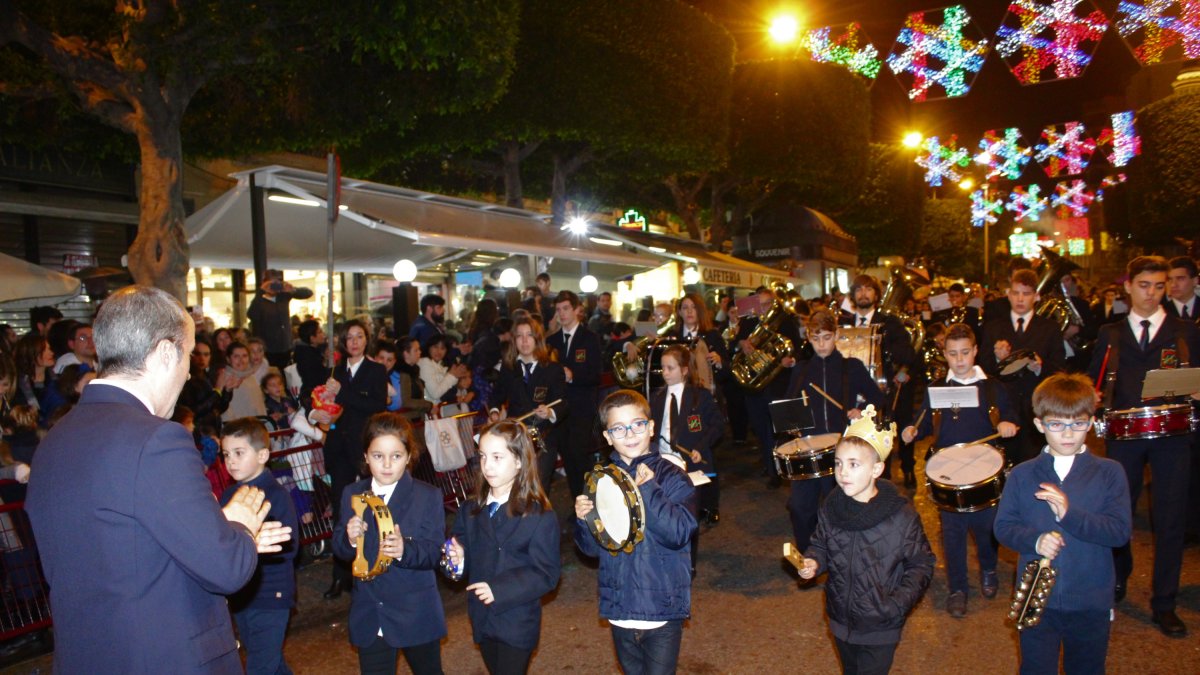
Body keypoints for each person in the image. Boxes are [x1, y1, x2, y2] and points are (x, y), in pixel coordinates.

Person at [25, 284, 290, 674]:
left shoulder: (54, 440)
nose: (186, 375)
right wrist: (237, 525)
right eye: (187, 357)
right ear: (166, 352)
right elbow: (227, 568)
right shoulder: (156, 440)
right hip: (165, 657)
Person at [1088, 255, 1200, 637]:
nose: (1151, 295)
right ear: (1128, 287)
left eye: (1159, 286)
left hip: (1173, 437)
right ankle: (1118, 578)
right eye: (1144, 286)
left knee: (1170, 521)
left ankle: (1164, 602)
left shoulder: (1185, 331)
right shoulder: (1111, 333)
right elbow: (1094, 380)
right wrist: (1091, 396)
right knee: (1118, 515)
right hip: (1124, 438)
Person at [994, 372, 1131, 674]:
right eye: (1057, 424)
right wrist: (1035, 540)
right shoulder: (1022, 474)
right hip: (1036, 599)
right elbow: (1003, 527)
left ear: (1091, 422)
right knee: (1035, 668)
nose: (1068, 434)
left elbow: (1119, 532)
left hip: (1090, 602)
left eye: (1078, 424)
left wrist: (1069, 514)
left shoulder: (1109, 473)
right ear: (1040, 425)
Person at [796, 405, 935, 675]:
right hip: (840, 618)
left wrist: (896, 605)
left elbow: (921, 564)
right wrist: (813, 561)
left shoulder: (900, 515)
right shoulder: (832, 506)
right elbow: (821, 544)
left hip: (880, 627)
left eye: (853, 464)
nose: (842, 472)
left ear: (877, 469)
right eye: (838, 463)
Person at [574, 390, 697, 674]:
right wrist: (583, 521)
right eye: (619, 428)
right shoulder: (602, 480)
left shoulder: (672, 476)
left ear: (651, 427)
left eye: (637, 424)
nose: (629, 434)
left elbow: (679, 532)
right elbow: (592, 550)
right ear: (608, 437)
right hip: (621, 608)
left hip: (662, 609)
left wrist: (647, 489)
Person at [901, 323, 1018, 617]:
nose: (960, 359)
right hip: (949, 473)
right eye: (953, 354)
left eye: (965, 352)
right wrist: (912, 429)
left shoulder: (992, 387)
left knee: (986, 529)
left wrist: (1008, 424)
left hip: (984, 471)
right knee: (952, 533)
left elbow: (1012, 416)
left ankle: (989, 569)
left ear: (975, 351)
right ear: (944, 354)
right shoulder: (937, 389)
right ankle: (958, 588)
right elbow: (924, 421)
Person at [332, 412, 447, 675]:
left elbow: (433, 551)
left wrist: (405, 549)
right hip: (370, 613)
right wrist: (349, 538)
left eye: (395, 456)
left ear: (408, 457)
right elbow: (339, 549)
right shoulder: (353, 493)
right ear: (365, 456)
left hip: (415, 610)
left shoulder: (426, 496)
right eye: (377, 456)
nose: (386, 464)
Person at [445, 420, 561, 674]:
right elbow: (456, 555)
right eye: (483, 457)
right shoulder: (471, 509)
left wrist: (499, 589)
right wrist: (457, 558)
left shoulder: (539, 515)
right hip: (482, 618)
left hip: (517, 619)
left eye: (498, 457)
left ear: (519, 461)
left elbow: (546, 574)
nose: (487, 465)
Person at [785, 310, 884, 554]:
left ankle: (843, 554)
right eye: (816, 338)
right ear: (808, 337)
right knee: (800, 507)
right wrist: (792, 424)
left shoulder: (852, 367)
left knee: (840, 507)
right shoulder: (801, 370)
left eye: (827, 337)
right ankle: (810, 555)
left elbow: (879, 399)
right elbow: (788, 407)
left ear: (837, 335)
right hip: (808, 450)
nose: (821, 344)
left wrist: (861, 410)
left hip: (842, 451)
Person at [219, 417, 300, 675]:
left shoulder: (275, 495)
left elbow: (290, 547)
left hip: (271, 593)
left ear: (263, 454)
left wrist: (251, 542)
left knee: (260, 666)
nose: (230, 461)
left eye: (239, 453)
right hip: (243, 595)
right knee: (268, 661)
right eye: (226, 454)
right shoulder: (229, 496)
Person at [322, 319, 389, 600]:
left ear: (366, 340)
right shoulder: (335, 370)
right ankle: (341, 574)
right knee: (342, 509)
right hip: (339, 449)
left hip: (364, 447)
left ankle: (375, 561)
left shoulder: (375, 370)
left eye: (359, 336)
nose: (354, 342)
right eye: (349, 337)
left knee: (373, 506)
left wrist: (342, 393)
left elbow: (376, 404)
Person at [979, 268, 1066, 465]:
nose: (1020, 299)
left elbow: (1059, 368)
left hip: (1036, 407)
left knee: (1035, 462)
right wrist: (996, 358)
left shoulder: (1049, 328)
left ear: (1036, 297)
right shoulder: (994, 327)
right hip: (1003, 408)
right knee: (1001, 463)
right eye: (1016, 293)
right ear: (1008, 294)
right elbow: (983, 368)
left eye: (1026, 294)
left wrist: (1039, 367)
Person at [489, 317, 567, 491]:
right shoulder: (508, 369)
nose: (524, 341)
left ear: (537, 339)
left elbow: (563, 402)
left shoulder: (552, 369)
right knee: (516, 488)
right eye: (519, 336)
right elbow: (496, 396)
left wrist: (550, 412)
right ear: (514, 340)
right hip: (515, 438)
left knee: (539, 488)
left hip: (543, 440)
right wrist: (494, 411)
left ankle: (539, 518)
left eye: (529, 335)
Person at [546, 290, 603, 497]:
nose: (562, 314)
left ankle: (590, 502)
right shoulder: (552, 341)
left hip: (582, 409)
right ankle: (578, 502)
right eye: (558, 310)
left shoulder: (590, 338)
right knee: (569, 460)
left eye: (566, 309)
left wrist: (572, 376)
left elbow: (596, 375)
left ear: (577, 310)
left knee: (581, 458)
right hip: (560, 411)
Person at [247, 270, 313, 369]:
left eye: (277, 283)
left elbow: (308, 293)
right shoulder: (260, 300)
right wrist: (261, 291)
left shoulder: (283, 296)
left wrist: (293, 290)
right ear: (264, 282)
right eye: (271, 283)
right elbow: (251, 314)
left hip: (286, 347)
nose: (274, 287)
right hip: (268, 349)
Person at [222, 342, 268, 421]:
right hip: (237, 428)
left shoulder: (251, 378)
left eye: (244, 356)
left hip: (257, 426)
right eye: (236, 356)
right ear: (228, 359)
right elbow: (225, 410)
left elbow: (259, 406)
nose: (241, 360)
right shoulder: (224, 379)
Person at [419, 334, 469, 403]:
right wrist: (452, 375)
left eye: (442, 348)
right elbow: (435, 393)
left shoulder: (441, 364)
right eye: (435, 347)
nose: (439, 351)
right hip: (428, 409)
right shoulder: (425, 362)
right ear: (429, 347)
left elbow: (446, 389)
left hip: (438, 408)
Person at [293, 319, 328, 406]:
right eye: (320, 332)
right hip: (313, 395)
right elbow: (316, 377)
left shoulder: (317, 350)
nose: (323, 334)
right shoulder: (307, 356)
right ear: (312, 338)